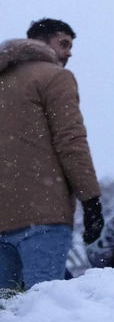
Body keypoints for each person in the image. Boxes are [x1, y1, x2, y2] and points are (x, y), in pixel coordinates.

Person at [0, 34, 102, 290]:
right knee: (44, 306)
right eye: (65, 45)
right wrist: (91, 200)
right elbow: (71, 142)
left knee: (7, 319)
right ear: (43, 44)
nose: (69, 54)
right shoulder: (54, 77)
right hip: (42, 214)